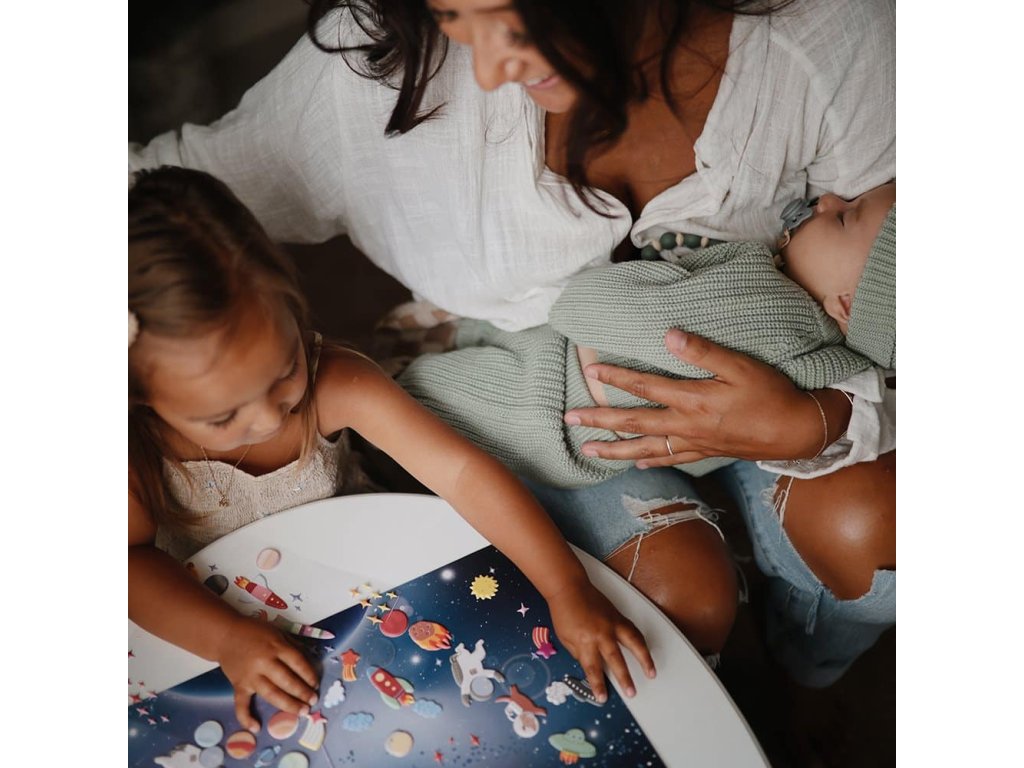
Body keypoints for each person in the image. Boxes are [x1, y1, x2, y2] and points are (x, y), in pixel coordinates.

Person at [129, 0, 895, 685]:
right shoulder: (368, 65)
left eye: (514, 23)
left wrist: (818, 419)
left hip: (786, 384)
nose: (489, 69)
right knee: (678, 599)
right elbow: (158, 207)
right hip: (527, 401)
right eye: (454, 19)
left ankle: (802, 678)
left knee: (884, 530)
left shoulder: (832, 43)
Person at [128, 166, 655, 732]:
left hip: (367, 584)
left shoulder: (337, 383)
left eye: (284, 371)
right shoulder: (130, 447)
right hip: (207, 631)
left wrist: (564, 585)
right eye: (222, 416)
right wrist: (226, 639)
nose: (268, 417)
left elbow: (463, 474)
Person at [399, 182, 895, 488]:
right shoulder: (837, 366)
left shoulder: (764, 295)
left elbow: (579, 309)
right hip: (587, 451)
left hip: (540, 392)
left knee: (406, 404)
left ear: (848, 304)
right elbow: (710, 453)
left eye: (844, 217)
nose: (828, 199)